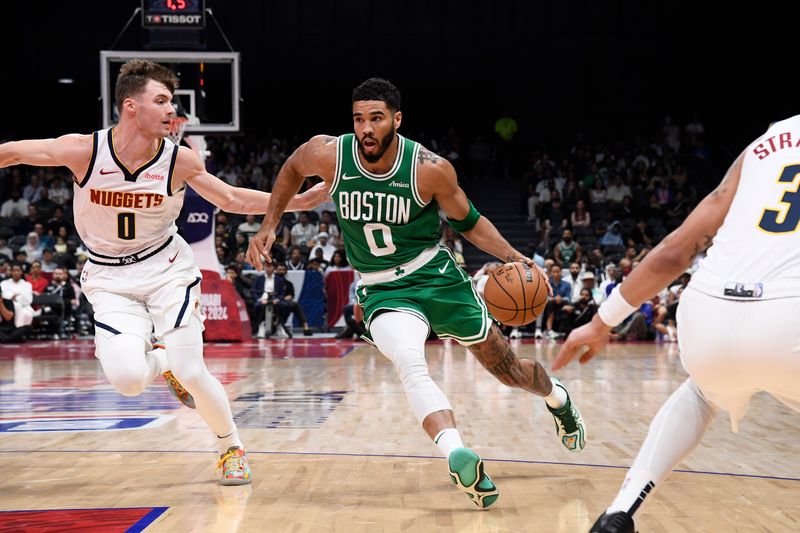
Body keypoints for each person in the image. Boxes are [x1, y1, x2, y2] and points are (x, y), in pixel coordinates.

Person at [246, 77, 586, 509]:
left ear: (396, 119)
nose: (366, 128)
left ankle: (558, 398)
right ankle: (457, 453)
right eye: (358, 119)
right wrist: (269, 225)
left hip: (437, 277)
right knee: (410, 361)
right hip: (383, 289)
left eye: (376, 118)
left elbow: (469, 222)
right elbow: (293, 168)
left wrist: (515, 256)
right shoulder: (329, 154)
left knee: (508, 370)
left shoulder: (429, 168)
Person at [0, 59, 328, 485]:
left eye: (172, 101)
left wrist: (298, 202)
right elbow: (13, 151)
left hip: (166, 270)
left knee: (194, 371)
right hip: (109, 277)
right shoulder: (83, 150)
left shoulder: (180, 160)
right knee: (129, 381)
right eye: (161, 100)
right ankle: (162, 359)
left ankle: (231, 446)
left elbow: (229, 198)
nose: (171, 110)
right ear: (131, 106)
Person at [553, 116, 800, 532]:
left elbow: (676, 250)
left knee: (702, 393)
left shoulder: (772, 137)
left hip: (707, 307)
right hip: (789, 317)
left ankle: (620, 511)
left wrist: (601, 322)